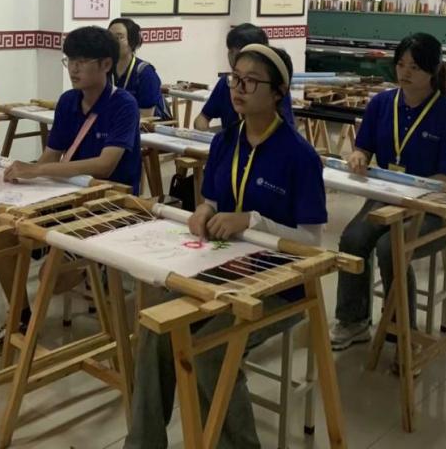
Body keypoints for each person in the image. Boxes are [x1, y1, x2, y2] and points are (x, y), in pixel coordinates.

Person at [125, 44, 326, 449]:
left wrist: (251, 221)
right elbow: (215, 200)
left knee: (210, 351)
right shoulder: (226, 141)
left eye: (251, 81)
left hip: (280, 283)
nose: (238, 88)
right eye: (235, 78)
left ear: (277, 93)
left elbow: (311, 241)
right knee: (154, 329)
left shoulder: (299, 154)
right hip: (225, 265)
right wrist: (203, 210)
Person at [0, 26, 142, 352]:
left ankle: (93, 266)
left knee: (55, 274)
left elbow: (105, 165)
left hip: (110, 203)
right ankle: (21, 316)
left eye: (82, 61)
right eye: (70, 60)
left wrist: (39, 170)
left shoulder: (124, 104)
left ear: (105, 64)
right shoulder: (68, 101)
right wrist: (23, 176)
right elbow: (52, 154)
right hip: (66, 196)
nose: (73, 68)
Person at [330, 32, 446, 353]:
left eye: (415, 67)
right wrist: (358, 156)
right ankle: (353, 320)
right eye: (401, 64)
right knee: (352, 239)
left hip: (433, 208)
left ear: (433, 71)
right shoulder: (382, 104)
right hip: (387, 197)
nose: (405, 72)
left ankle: (402, 329)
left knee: (391, 247)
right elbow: (363, 147)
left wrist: (415, 194)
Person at [194, 23, 295, 131]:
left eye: (238, 53)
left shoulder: (272, 85)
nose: (231, 57)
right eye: (230, 51)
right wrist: (206, 135)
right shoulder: (227, 82)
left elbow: (286, 128)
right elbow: (202, 118)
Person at [108, 17, 170, 120]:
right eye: (110, 37)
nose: (113, 42)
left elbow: (146, 116)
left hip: (146, 126)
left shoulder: (145, 73)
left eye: (119, 37)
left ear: (132, 41)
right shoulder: (105, 69)